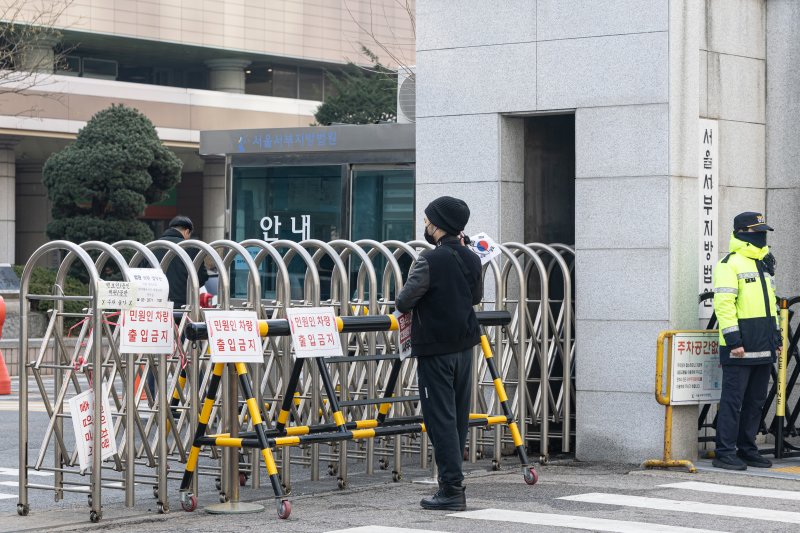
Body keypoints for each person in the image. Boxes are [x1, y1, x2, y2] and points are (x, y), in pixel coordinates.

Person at [395, 196, 483, 511]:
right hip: (465, 347)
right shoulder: (472, 257)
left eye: (428, 219)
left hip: (435, 350)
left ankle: (451, 490)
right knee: (457, 418)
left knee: (440, 419)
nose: (425, 224)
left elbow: (404, 301)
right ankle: (452, 485)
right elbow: (475, 296)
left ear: (436, 225)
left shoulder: (429, 260)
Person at [712, 211, 781, 471]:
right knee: (733, 402)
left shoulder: (763, 263)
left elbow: (770, 306)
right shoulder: (730, 264)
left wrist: (776, 337)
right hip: (739, 348)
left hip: (763, 346)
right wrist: (733, 340)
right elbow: (724, 305)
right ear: (743, 232)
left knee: (755, 402)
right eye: (757, 231)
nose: (762, 236)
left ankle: (747, 448)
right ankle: (725, 452)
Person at [156, 215, 208, 312]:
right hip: (183, 307)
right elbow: (201, 277)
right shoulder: (192, 248)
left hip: (155, 305)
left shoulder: (152, 247)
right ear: (187, 231)